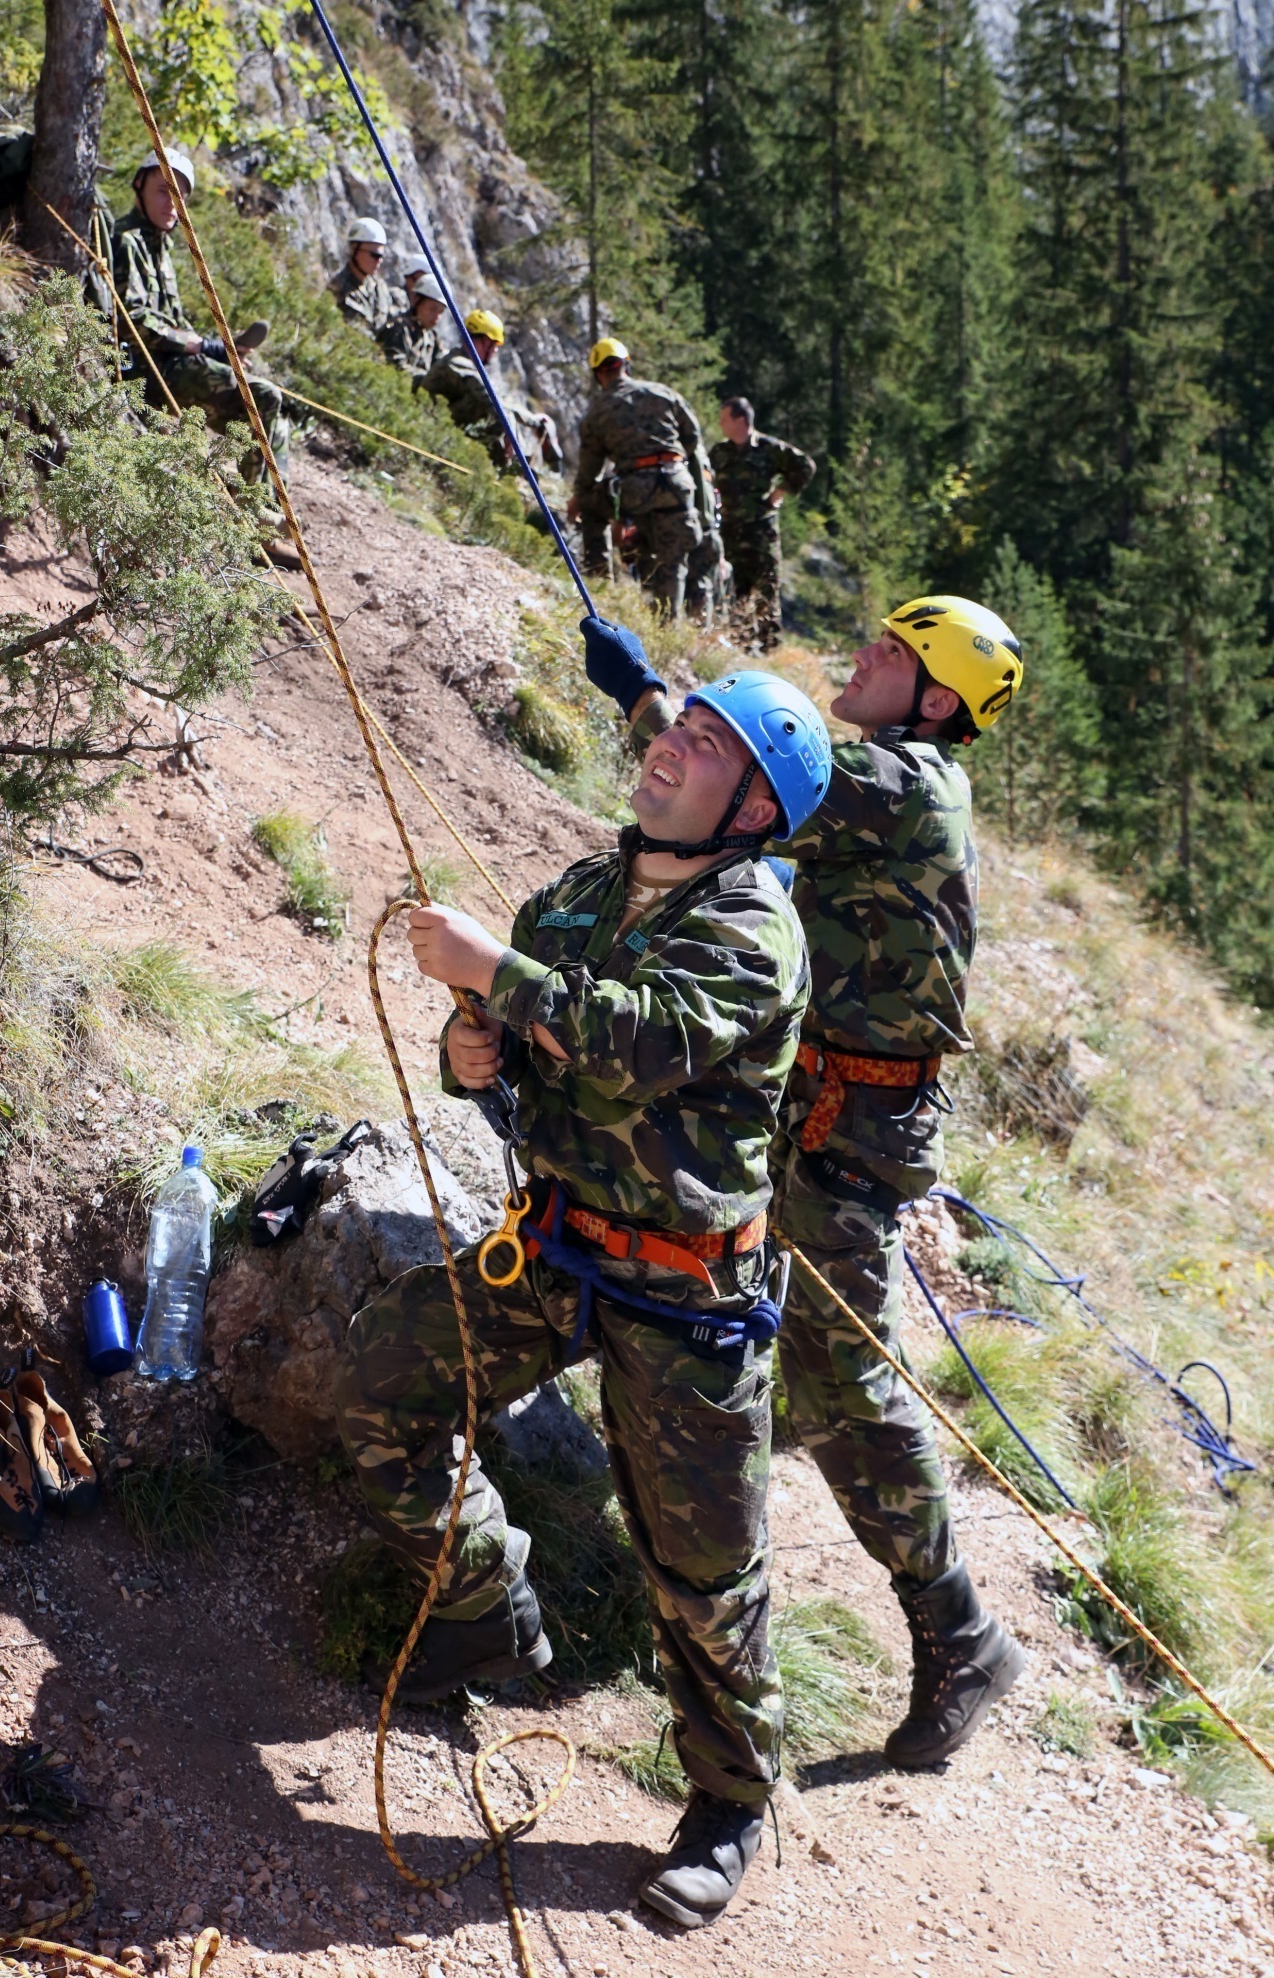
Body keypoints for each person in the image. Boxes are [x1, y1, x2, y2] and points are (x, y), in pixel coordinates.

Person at [336, 671, 834, 1931]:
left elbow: (629, 1042)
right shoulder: (576, 895)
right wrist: (471, 1058)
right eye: (679, 724)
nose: (671, 745)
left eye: (710, 744)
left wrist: (494, 976)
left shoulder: (750, 929)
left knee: (705, 1572)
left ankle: (728, 1798)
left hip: (684, 1295)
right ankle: (482, 1603)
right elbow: (522, 1071)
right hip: (557, 1246)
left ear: (752, 808)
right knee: (383, 1378)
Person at [578, 597, 1029, 1771]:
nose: (865, 654)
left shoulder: (909, 781)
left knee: (843, 1372)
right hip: (821, 1106)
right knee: (788, 1349)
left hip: (850, 1130)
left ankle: (960, 1628)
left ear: (935, 700)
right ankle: (713, 1549)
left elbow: (781, 777)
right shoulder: (890, 777)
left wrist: (650, 702)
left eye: (895, 653)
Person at [112, 148, 289, 484]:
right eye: (163, 191)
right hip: (147, 373)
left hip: (174, 368)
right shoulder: (126, 241)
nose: (171, 204)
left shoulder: (161, 249)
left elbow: (174, 319)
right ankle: (252, 507)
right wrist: (197, 346)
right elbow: (129, 319)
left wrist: (219, 353)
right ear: (139, 186)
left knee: (275, 417)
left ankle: (272, 509)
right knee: (263, 397)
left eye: (179, 196)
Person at [569, 339, 714, 618]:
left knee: (590, 506)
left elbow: (589, 471)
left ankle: (600, 590)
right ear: (626, 365)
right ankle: (668, 629)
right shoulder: (663, 393)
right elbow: (692, 438)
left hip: (634, 489)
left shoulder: (598, 411)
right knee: (673, 562)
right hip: (677, 485)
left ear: (599, 373)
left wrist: (580, 498)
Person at [710, 397, 815, 650]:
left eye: (725, 418)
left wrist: (780, 492)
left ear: (741, 420)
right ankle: (740, 643)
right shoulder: (719, 453)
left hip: (761, 532)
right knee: (736, 589)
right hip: (729, 533)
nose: (721, 424)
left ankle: (770, 650)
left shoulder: (768, 448)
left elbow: (805, 466)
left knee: (766, 588)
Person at [420, 308, 561, 472]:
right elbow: (488, 397)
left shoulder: (466, 364)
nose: (495, 352)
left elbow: (501, 401)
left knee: (501, 411)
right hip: (430, 426)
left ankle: (508, 465)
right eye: (493, 346)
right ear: (482, 341)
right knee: (490, 410)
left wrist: (533, 421)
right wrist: (511, 429)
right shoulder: (457, 363)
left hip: (444, 425)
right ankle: (504, 466)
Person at [327, 217, 401, 347]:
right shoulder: (337, 290)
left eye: (381, 257)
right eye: (374, 255)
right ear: (354, 249)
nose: (379, 261)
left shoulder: (380, 288)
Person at [383, 271, 446, 382]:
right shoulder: (398, 329)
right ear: (417, 301)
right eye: (432, 309)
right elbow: (395, 367)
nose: (436, 317)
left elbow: (442, 367)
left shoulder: (433, 338)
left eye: (440, 312)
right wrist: (427, 381)